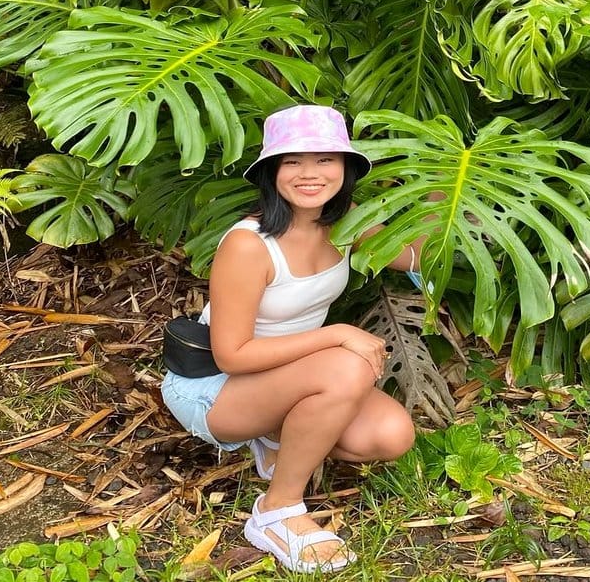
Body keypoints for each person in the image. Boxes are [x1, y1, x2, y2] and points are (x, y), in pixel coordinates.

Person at [161, 104, 426, 573]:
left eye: (325, 159)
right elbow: (232, 353)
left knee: (390, 436)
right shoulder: (249, 245)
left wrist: (445, 193)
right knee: (348, 364)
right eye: (292, 161)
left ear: (345, 168)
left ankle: (275, 436)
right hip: (215, 386)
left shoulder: (344, 227)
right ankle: (277, 512)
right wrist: (338, 334)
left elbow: (410, 255)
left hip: (291, 377)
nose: (310, 174)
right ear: (271, 173)